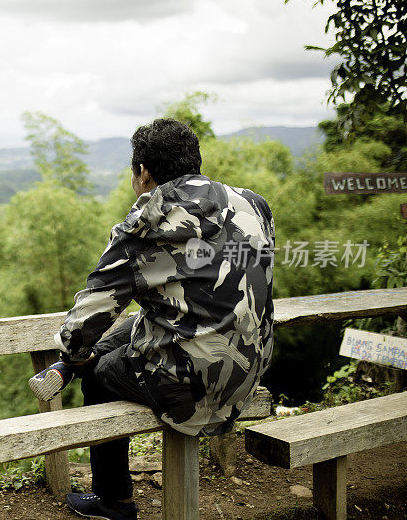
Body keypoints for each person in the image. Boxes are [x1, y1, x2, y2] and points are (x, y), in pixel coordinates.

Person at [28, 118, 275, 520]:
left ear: (143, 173)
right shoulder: (252, 204)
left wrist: (73, 352)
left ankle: (114, 501)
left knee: (99, 370)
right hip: (249, 368)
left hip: (196, 388)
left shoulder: (145, 225)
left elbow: (87, 317)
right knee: (129, 327)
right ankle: (74, 367)